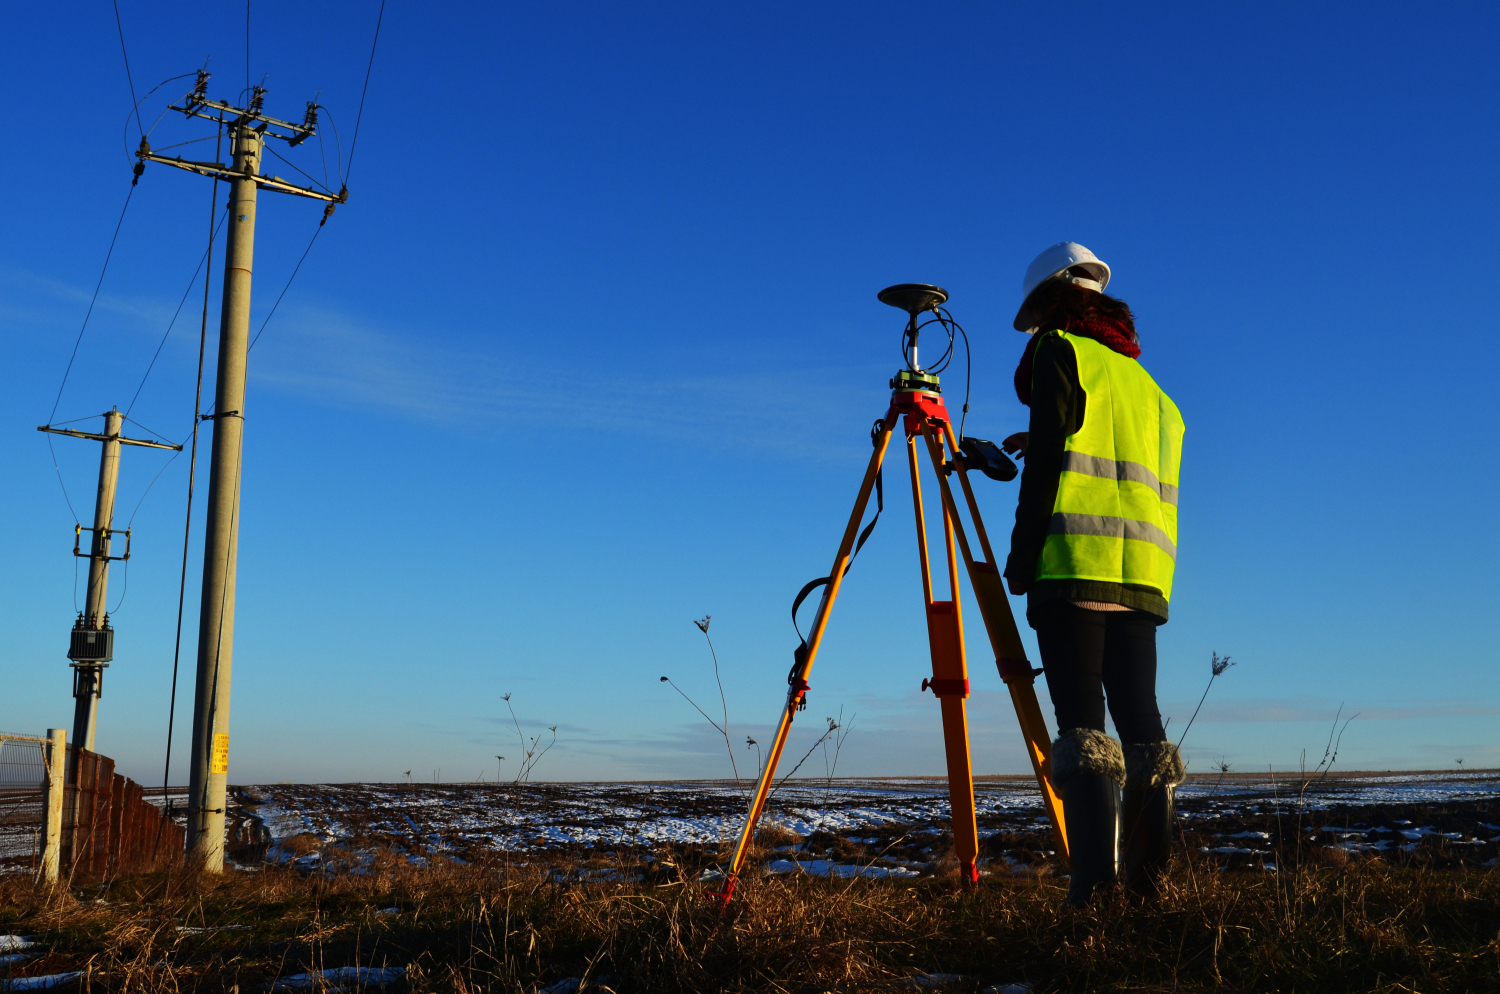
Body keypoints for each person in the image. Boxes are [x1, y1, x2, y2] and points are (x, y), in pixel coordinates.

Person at [1000, 242, 1186, 906]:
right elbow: (1103, 456)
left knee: (1081, 726)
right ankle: (1147, 887)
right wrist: (1043, 438)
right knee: (1142, 727)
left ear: (1052, 302)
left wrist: (1023, 557)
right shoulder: (1149, 388)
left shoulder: (1061, 351)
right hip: (1141, 576)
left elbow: (1057, 460)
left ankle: (1091, 893)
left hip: (1076, 564)